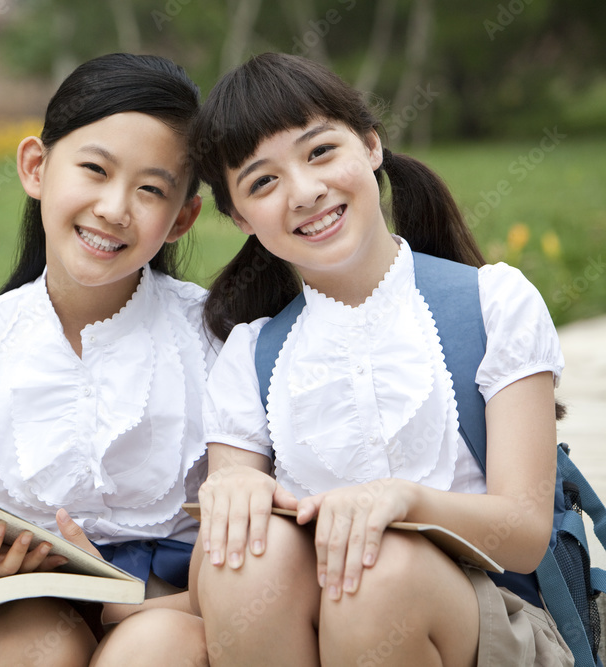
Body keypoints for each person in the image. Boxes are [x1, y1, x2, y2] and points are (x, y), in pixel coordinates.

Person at [188, 52, 572, 666]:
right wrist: (230, 492)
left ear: (371, 145)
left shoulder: (491, 302)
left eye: (320, 152)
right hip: (318, 629)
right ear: (240, 218)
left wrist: (403, 501)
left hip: (494, 620)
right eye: (264, 181)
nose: (305, 192)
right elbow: (223, 562)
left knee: (377, 573)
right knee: (245, 554)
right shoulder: (252, 355)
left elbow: (524, 537)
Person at [0, 53, 216, 667]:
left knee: (147, 654)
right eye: (94, 169)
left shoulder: (215, 337)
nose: (113, 207)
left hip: (173, 614)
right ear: (36, 166)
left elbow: (257, 567)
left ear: (182, 216)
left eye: (150, 189)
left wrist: (127, 607)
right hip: (26, 611)